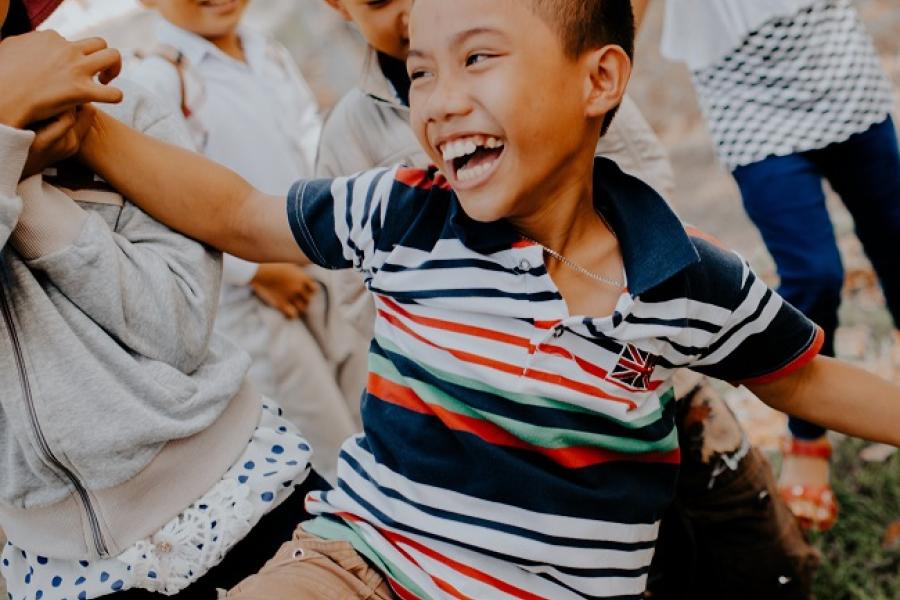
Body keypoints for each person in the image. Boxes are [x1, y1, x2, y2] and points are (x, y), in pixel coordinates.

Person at [77, 1, 900, 598]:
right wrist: (90, 133)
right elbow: (241, 216)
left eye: (477, 59)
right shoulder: (400, 208)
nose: (435, 98)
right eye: (422, 69)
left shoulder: (687, 279)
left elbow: (802, 380)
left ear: (599, 79)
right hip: (363, 564)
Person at [317, 1, 820, 596]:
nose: (410, 8)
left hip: (647, 372)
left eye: (476, 58)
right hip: (508, 429)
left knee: (740, 523)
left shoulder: (549, 59)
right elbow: (354, 291)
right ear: (337, 7)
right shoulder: (354, 132)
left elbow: (642, 171)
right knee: (629, 562)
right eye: (379, 0)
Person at [0, 1, 321, 597]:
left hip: (250, 491)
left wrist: (36, 205)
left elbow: (178, 321)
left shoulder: (112, 107)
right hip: (65, 570)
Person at [640, 0, 900, 531]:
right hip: (747, 92)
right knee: (814, 272)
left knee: (896, 240)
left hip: (837, 63)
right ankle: (806, 436)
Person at [128, 0, 364, 482]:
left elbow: (308, 136)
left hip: (322, 260)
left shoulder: (265, 49)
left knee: (365, 402)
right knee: (318, 434)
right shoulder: (157, 79)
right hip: (256, 297)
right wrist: (255, 272)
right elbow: (163, 200)